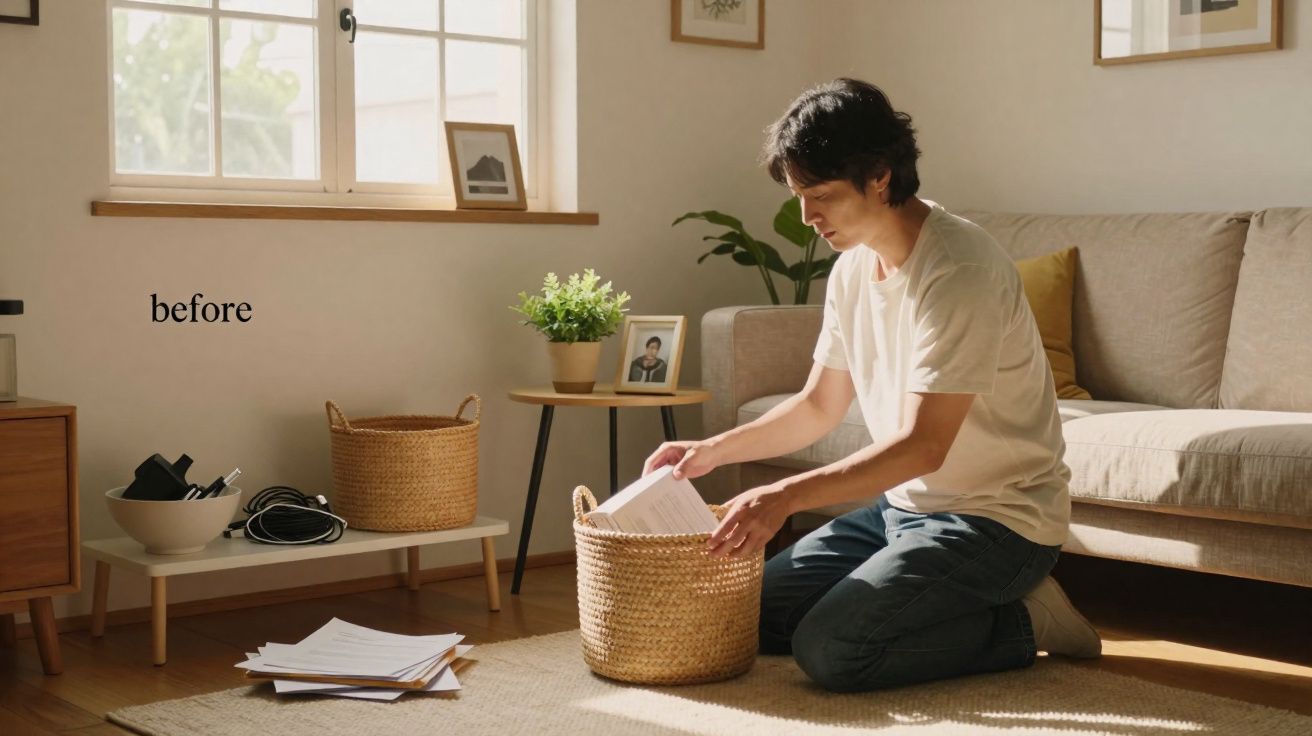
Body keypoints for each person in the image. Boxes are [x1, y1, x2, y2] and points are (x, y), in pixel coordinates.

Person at [644, 78, 1101, 693]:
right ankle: (936, 600)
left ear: (880, 175)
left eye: (821, 195)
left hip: (998, 520)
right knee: (747, 616)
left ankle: (1027, 621)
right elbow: (818, 406)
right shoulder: (853, 266)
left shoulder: (959, 270)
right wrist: (711, 452)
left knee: (832, 650)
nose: (807, 217)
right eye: (798, 194)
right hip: (902, 508)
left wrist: (782, 497)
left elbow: (923, 446)